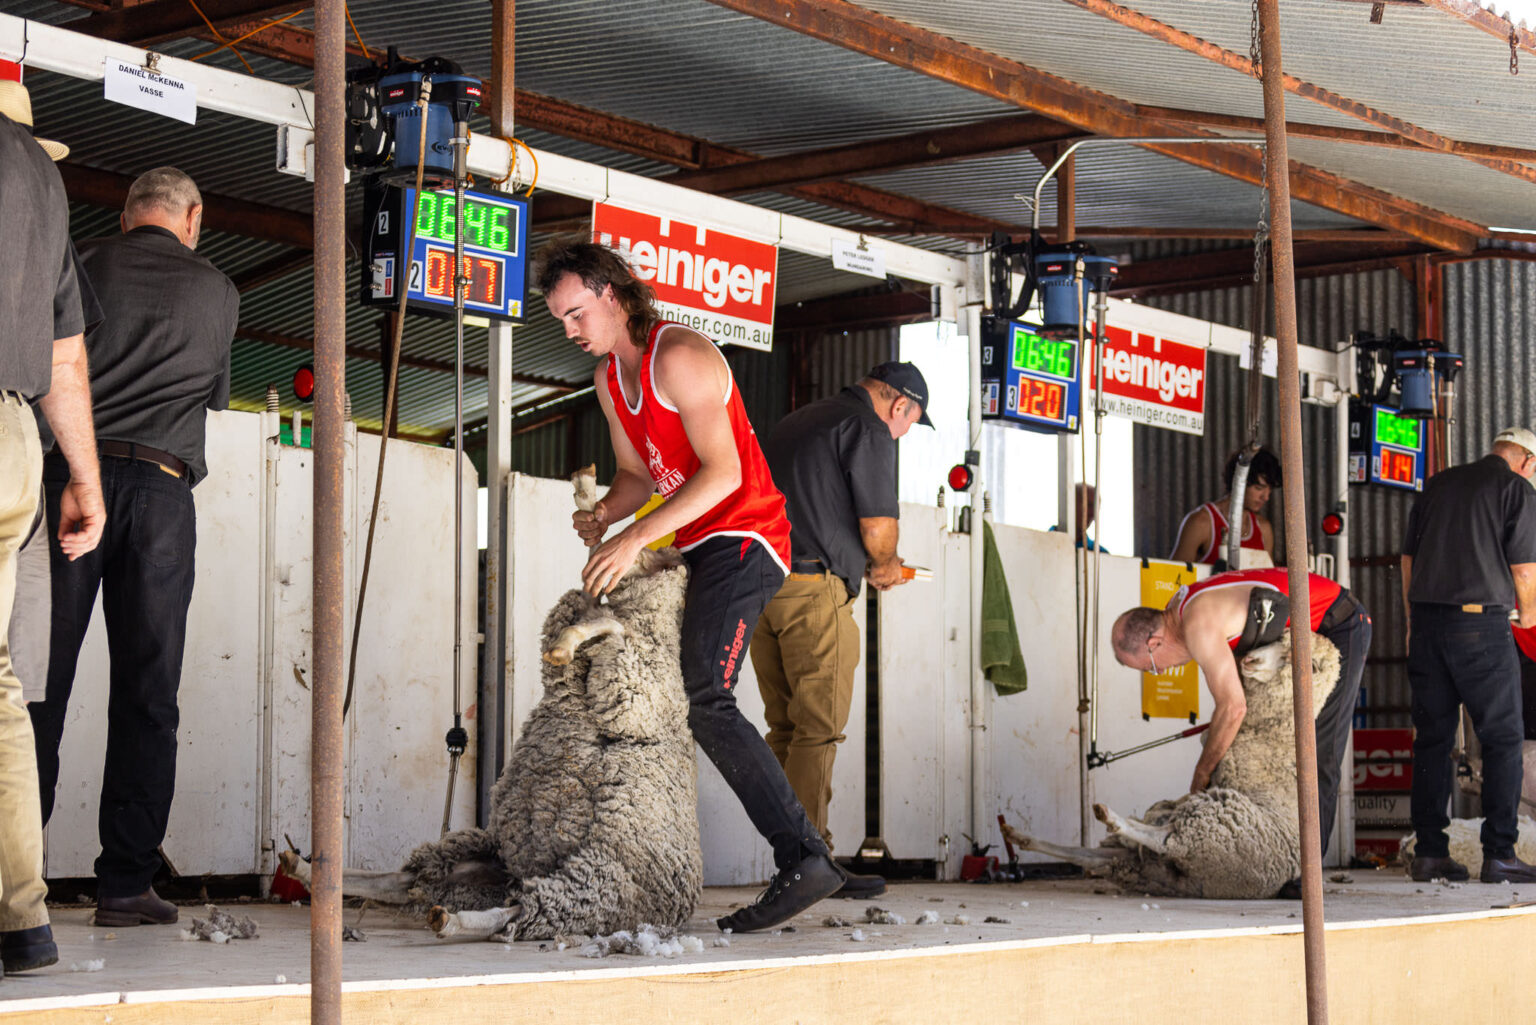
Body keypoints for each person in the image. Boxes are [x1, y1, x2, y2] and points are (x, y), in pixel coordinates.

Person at [535, 237, 843, 932]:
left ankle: (804, 855)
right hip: (697, 543)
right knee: (683, 693)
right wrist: (608, 512)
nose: (570, 330)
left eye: (578, 313)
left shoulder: (680, 357)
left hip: (747, 534)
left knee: (705, 691)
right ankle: (787, 854)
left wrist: (636, 535)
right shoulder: (611, 380)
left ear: (612, 296)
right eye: (560, 319)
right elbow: (640, 476)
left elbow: (724, 472)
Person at [28, 167, 239, 927]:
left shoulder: (80, 260)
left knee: (37, 684)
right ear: (193, 218)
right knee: (148, 692)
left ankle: (12, 878)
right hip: (160, 494)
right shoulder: (218, 290)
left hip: (67, 482)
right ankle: (124, 882)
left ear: (124, 218)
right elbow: (211, 392)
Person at [750, 361, 931, 898]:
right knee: (818, 728)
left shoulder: (799, 420)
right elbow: (877, 528)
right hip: (813, 593)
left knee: (783, 729)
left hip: (761, 588)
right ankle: (812, 860)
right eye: (910, 423)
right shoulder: (868, 428)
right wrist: (888, 564)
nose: (902, 433)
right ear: (899, 405)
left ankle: (789, 859)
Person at [0, 75, 105, 977]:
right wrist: (84, 475)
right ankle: (21, 920)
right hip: (11, 439)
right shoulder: (41, 179)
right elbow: (64, 357)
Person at [1110, 566, 1371, 895]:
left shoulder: (1197, 625)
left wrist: (1201, 773)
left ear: (1155, 641)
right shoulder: (1181, 607)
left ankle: (1307, 872)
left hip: (1341, 624)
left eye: (1151, 665)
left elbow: (1233, 707)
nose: (1159, 672)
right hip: (1307, 630)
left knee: (1320, 750)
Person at [1399, 428, 1536, 884]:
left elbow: (1407, 560)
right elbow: (1524, 571)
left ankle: (1430, 853)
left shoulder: (1438, 483)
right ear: (1528, 462)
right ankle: (1499, 855)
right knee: (1502, 739)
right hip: (1482, 626)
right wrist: (1527, 618)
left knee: (1432, 739)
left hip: (1427, 626)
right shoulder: (1514, 489)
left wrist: (1411, 622)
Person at [1169, 447, 1281, 566]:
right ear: (1238, 482)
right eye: (1259, 488)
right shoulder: (1201, 523)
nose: (1266, 497)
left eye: (1270, 490)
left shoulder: (1264, 530)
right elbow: (1174, 576)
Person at [1048, 482, 1107, 552]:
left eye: (1096, 509)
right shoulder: (1042, 543)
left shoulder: (1100, 554)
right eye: (1088, 505)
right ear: (1071, 503)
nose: (1092, 514)